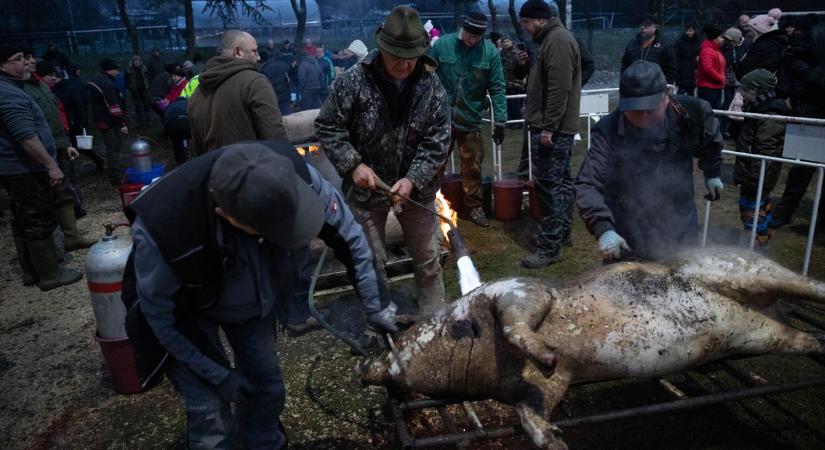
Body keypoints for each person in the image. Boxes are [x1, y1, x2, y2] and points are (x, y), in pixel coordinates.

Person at [127, 141, 397, 450]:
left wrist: (376, 306)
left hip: (249, 303)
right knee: (210, 408)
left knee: (266, 387)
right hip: (184, 312)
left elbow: (350, 235)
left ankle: (264, 443)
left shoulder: (288, 173)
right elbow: (162, 320)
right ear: (225, 215)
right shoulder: (164, 228)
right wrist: (218, 375)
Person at [316, 5, 450, 315]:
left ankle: (433, 320)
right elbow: (327, 125)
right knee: (368, 261)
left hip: (416, 190)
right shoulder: (354, 82)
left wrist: (413, 178)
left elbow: (438, 139)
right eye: (396, 57)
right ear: (382, 48)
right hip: (366, 191)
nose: (404, 65)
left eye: (410, 57)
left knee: (428, 258)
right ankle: (380, 323)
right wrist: (352, 164)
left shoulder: (431, 86)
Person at [575, 61, 724, 261]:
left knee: (683, 275)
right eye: (636, 111)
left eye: (650, 109)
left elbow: (711, 141)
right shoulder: (607, 131)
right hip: (628, 218)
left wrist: (712, 172)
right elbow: (587, 183)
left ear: (666, 96)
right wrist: (603, 228)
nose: (644, 117)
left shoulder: (693, 112)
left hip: (679, 212)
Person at [0, 44, 83, 290]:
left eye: (26, 58)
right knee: (38, 219)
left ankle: (31, 271)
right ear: (2, 65)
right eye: (18, 58)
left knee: (25, 217)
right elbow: (25, 135)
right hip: (24, 168)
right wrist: (51, 165)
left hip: (19, 168)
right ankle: (50, 275)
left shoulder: (14, 88)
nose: (26, 62)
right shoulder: (9, 94)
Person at [518, 0, 581, 268]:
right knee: (561, 184)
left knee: (549, 189)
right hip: (554, 127)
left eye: (526, 23)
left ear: (538, 19)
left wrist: (549, 127)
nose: (525, 28)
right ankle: (560, 234)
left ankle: (550, 247)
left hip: (552, 131)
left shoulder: (556, 41)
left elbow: (559, 89)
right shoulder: (553, 39)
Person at [430, 11, 507, 228]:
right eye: (469, 35)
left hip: (470, 118)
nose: (472, 40)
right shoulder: (442, 46)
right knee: (434, 163)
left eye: (477, 37)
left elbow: (498, 87)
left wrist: (500, 120)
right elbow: (425, 77)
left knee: (472, 166)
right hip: (440, 119)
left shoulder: (490, 53)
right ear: (462, 29)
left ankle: (474, 207)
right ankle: (429, 205)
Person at [188, 30, 285, 155]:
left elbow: (198, 149)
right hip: (253, 170)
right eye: (254, 51)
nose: (259, 57)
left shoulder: (197, 93)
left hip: (215, 171)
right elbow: (275, 136)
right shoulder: (255, 82)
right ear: (238, 52)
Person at [27, 61, 95, 239]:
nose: (54, 80)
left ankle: (72, 234)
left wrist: (66, 142)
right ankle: (63, 234)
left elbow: (57, 118)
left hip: (58, 143)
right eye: (23, 58)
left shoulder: (43, 88)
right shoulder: (25, 90)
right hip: (42, 150)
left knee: (64, 187)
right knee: (52, 191)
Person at [772, 21, 825, 227]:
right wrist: (813, 75)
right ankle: (785, 210)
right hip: (812, 108)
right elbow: (790, 56)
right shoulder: (816, 34)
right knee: (802, 166)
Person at [733, 69, 789, 248]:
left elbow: (766, 151)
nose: (741, 94)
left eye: (746, 90)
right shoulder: (758, 108)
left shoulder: (770, 115)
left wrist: (754, 179)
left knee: (751, 211)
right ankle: (761, 239)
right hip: (755, 174)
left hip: (757, 176)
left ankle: (755, 248)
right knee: (761, 207)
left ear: (758, 91)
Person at [53, 64, 103, 171]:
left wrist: (82, 123)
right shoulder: (53, 89)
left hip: (73, 122)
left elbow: (80, 105)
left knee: (79, 146)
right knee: (74, 146)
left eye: (54, 77)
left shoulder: (69, 88)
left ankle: (97, 161)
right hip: (63, 122)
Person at [87, 58, 128, 185]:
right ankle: (115, 177)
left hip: (101, 119)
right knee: (113, 147)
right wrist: (122, 123)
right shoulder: (107, 84)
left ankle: (114, 171)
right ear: (110, 69)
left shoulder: (96, 80)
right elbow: (114, 106)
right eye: (116, 69)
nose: (118, 72)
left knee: (112, 146)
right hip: (109, 121)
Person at [621, 14, 676, 84]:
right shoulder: (632, 44)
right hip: (634, 88)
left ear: (656, 27)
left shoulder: (665, 45)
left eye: (647, 25)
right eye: (641, 25)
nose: (643, 27)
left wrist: (664, 87)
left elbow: (671, 70)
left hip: (656, 88)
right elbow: (624, 67)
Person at [736, 14, 789, 79]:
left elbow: (742, 72)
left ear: (759, 31)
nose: (748, 34)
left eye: (750, 31)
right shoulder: (775, 44)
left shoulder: (764, 47)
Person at [695, 24, 727, 109]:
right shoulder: (707, 50)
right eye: (721, 37)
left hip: (715, 86)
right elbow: (707, 68)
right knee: (708, 112)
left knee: (715, 112)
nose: (723, 39)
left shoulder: (715, 49)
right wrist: (721, 78)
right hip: (708, 87)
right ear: (715, 37)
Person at [125, 55, 151, 126]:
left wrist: (148, 86)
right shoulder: (128, 69)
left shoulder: (144, 68)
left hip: (144, 90)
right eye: (135, 61)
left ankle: (148, 120)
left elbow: (149, 77)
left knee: (146, 105)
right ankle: (141, 121)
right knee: (138, 106)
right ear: (132, 62)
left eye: (138, 61)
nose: (136, 62)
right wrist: (130, 88)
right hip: (135, 91)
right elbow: (126, 80)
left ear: (140, 61)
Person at [674, 24, 700, 95]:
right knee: (681, 92)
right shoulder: (680, 42)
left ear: (694, 31)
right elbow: (676, 56)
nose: (688, 32)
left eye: (690, 30)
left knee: (691, 92)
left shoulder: (698, 42)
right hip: (682, 71)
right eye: (687, 30)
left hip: (693, 70)